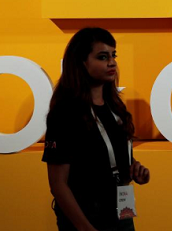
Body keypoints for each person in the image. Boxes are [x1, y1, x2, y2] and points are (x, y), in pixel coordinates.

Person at [43, 28, 150, 231]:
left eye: (113, 55)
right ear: (82, 63)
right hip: (87, 216)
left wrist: (134, 168)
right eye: (102, 57)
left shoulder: (116, 108)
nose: (111, 62)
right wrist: (85, 228)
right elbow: (58, 184)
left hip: (122, 209)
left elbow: (105, 156)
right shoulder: (65, 113)